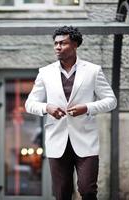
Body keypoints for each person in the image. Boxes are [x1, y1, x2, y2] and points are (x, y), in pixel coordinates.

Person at [25, 26, 117, 200]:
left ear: (74, 45)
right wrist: (47, 108)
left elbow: (111, 101)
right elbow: (30, 104)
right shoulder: (45, 73)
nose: (57, 47)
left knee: (88, 190)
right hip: (57, 140)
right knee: (62, 194)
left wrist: (87, 107)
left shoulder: (93, 71)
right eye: (56, 43)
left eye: (62, 43)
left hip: (86, 140)